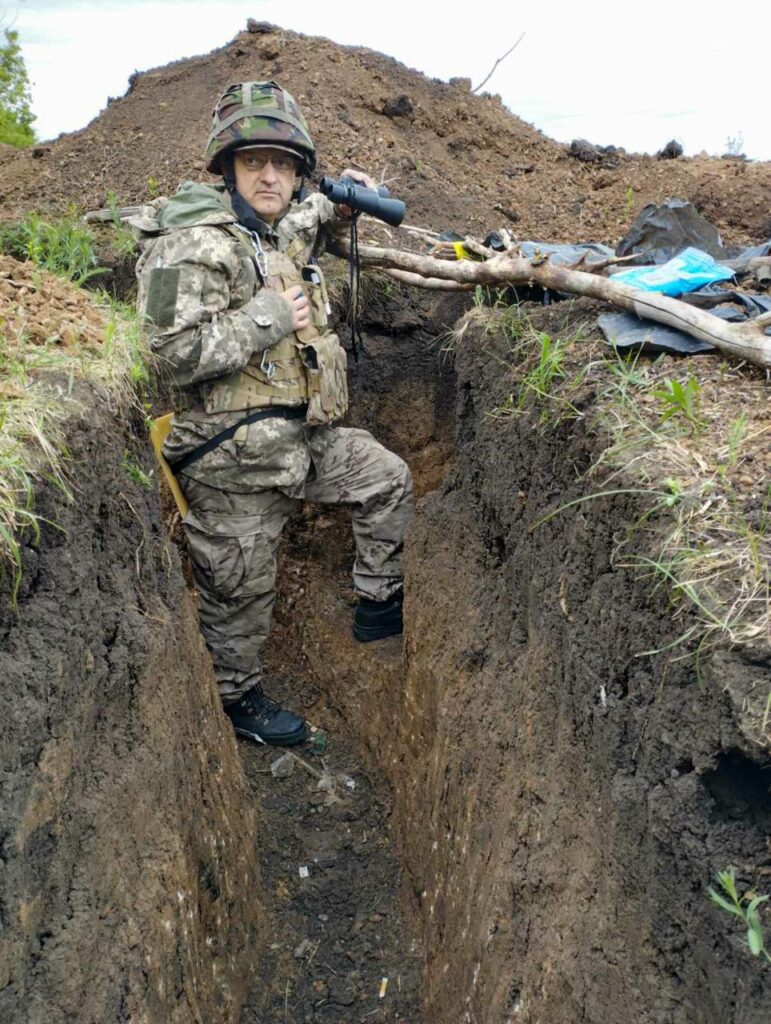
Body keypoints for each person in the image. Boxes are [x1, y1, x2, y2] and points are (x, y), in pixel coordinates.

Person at [134, 81, 413, 746]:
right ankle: (235, 702)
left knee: (387, 478)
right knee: (238, 596)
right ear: (226, 169)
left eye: (283, 165)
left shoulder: (268, 231)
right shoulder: (193, 242)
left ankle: (377, 608)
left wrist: (338, 204)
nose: (270, 176)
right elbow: (167, 355)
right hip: (230, 464)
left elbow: (298, 221)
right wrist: (263, 319)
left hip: (299, 439)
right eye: (254, 162)